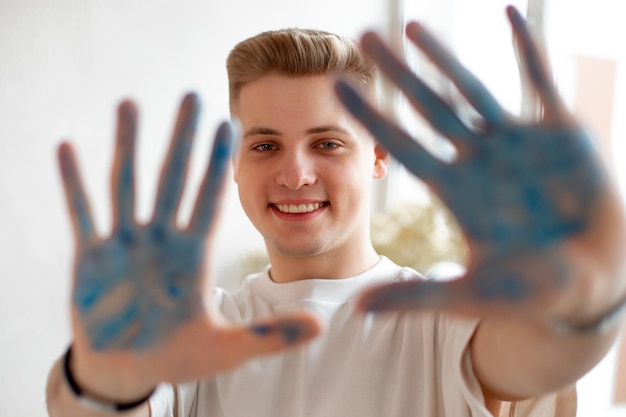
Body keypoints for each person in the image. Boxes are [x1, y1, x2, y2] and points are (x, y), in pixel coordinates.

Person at [45, 5, 626, 417]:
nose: (295, 174)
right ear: (236, 164)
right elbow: (96, 404)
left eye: (327, 143)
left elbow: (535, 355)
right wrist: (100, 378)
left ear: (377, 157)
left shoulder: (441, 323)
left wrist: (586, 298)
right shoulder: (200, 330)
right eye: (265, 145)